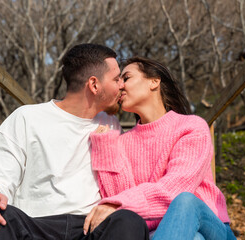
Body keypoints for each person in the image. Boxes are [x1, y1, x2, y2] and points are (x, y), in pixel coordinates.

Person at [0, 44, 149, 240]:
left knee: (129, 222)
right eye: (116, 79)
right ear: (94, 85)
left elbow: (123, 181)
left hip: (89, 228)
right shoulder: (27, 117)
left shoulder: (111, 125)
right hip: (34, 226)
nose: (122, 85)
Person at [85, 57, 236, 240]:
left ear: (154, 82)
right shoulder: (123, 142)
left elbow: (175, 190)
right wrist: (104, 145)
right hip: (160, 233)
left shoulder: (191, 127)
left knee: (185, 201)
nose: (120, 86)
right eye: (119, 81)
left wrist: (119, 204)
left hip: (211, 228)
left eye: (126, 78)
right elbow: (120, 203)